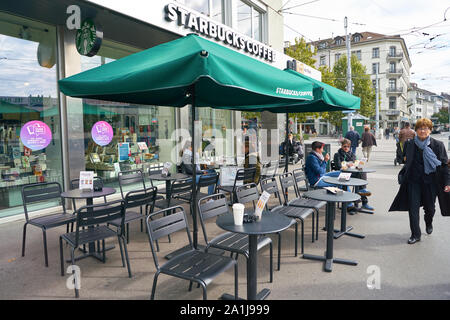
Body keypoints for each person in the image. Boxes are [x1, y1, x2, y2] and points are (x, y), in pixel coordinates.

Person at [389, 118, 450, 244]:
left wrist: (447, 183)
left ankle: (429, 222)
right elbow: (406, 161)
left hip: (431, 182)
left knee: (430, 208)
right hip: (413, 181)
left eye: (426, 128)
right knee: (413, 208)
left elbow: (444, 166)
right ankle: (415, 234)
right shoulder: (409, 144)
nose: (423, 131)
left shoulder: (438, 145)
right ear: (416, 130)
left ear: (430, 130)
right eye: (420, 128)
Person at [333, 139, 374, 210]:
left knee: (362, 173)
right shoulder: (337, 154)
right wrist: (347, 164)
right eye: (345, 146)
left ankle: (364, 199)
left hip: (351, 173)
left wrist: (357, 165)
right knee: (345, 185)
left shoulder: (351, 153)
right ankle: (350, 204)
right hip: (342, 174)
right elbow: (338, 166)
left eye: (348, 146)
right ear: (341, 146)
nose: (346, 148)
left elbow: (356, 161)